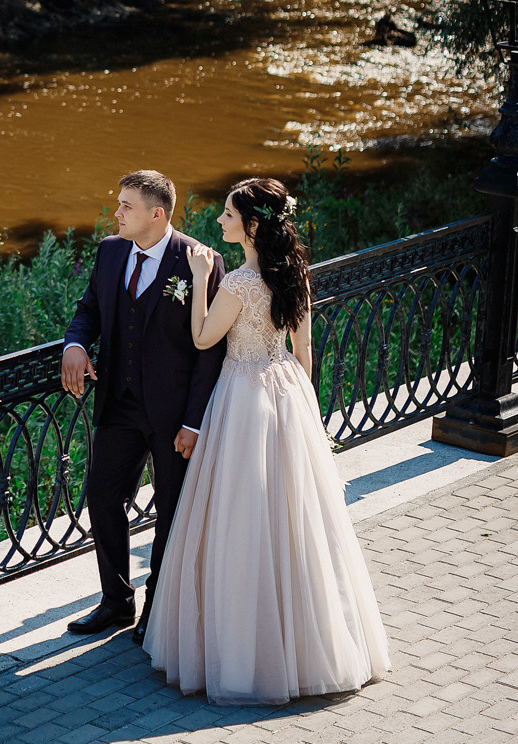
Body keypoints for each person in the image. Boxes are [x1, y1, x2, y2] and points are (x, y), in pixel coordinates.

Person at [143, 177, 392, 705]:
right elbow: (303, 351)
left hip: (243, 394)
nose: (220, 222)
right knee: (295, 517)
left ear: (252, 225)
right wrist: (306, 409)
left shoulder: (237, 281)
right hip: (287, 393)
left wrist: (202, 275)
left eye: (229, 216)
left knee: (242, 516)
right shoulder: (294, 274)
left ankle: (245, 653)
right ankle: (311, 642)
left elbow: (204, 337)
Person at [60, 170, 226, 644]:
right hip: (120, 404)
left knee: (170, 510)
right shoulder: (111, 251)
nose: (116, 213)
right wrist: (74, 344)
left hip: (174, 416)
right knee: (102, 496)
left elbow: (209, 350)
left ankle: (159, 605)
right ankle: (116, 602)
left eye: (126, 206)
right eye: (118, 204)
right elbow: (88, 308)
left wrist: (194, 422)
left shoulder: (200, 261)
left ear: (157, 214)